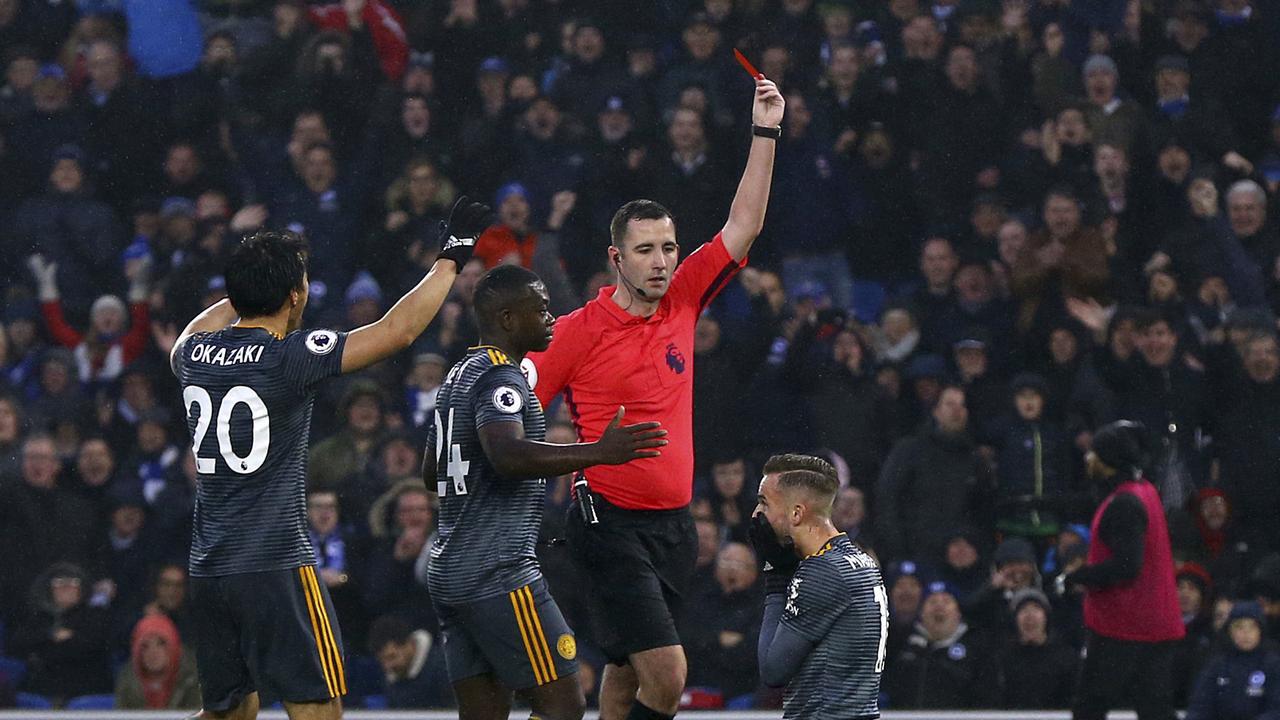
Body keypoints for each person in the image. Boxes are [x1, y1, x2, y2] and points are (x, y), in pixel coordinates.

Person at [169, 196, 493, 719]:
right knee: (319, 711)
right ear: (296, 295)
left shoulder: (192, 355)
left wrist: (250, 277)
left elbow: (192, 331)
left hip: (210, 568)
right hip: (276, 564)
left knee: (231, 712)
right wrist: (451, 256)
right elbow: (398, 332)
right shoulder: (289, 357)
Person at [525, 75, 784, 720]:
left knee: (620, 674)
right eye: (646, 250)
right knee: (667, 679)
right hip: (606, 522)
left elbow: (743, 224)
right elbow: (512, 400)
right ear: (617, 258)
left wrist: (765, 130)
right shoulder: (576, 332)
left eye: (668, 247)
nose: (662, 261)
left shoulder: (684, 300)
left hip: (676, 527)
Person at [425, 264, 668, 720]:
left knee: (484, 714)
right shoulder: (502, 377)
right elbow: (508, 456)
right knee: (564, 706)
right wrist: (599, 452)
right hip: (497, 570)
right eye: (539, 310)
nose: (551, 317)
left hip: (451, 570)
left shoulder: (458, 374)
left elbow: (430, 473)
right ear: (507, 319)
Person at [1060, 420, 1185, 720]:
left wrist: (1075, 577)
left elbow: (1127, 567)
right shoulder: (1144, 491)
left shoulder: (1123, 504)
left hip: (1122, 624)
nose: (1088, 457)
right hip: (1156, 621)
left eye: (1094, 453)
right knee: (1155, 709)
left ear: (1109, 461)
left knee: (1089, 708)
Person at [750, 454, 884, 719]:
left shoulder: (822, 572)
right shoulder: (860, 560)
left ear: (796, 513)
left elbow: (773, 671)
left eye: (764, 502)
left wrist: (776, 576)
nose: (756, 514)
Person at [1185, 601, 1280, 720]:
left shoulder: (1273, 665)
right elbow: (1199, 706)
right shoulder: (1217, 665)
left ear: (1261, 631)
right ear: (1230, 631)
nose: (1246, 633)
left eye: (1252, 626)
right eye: (1239, 626)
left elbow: (1276, 710)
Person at [114, 613, 201, 710]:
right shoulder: (128, 682)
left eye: (161, 643)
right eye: (145, 646)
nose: (153, 652)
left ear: (174, 647)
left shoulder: (192, 680)